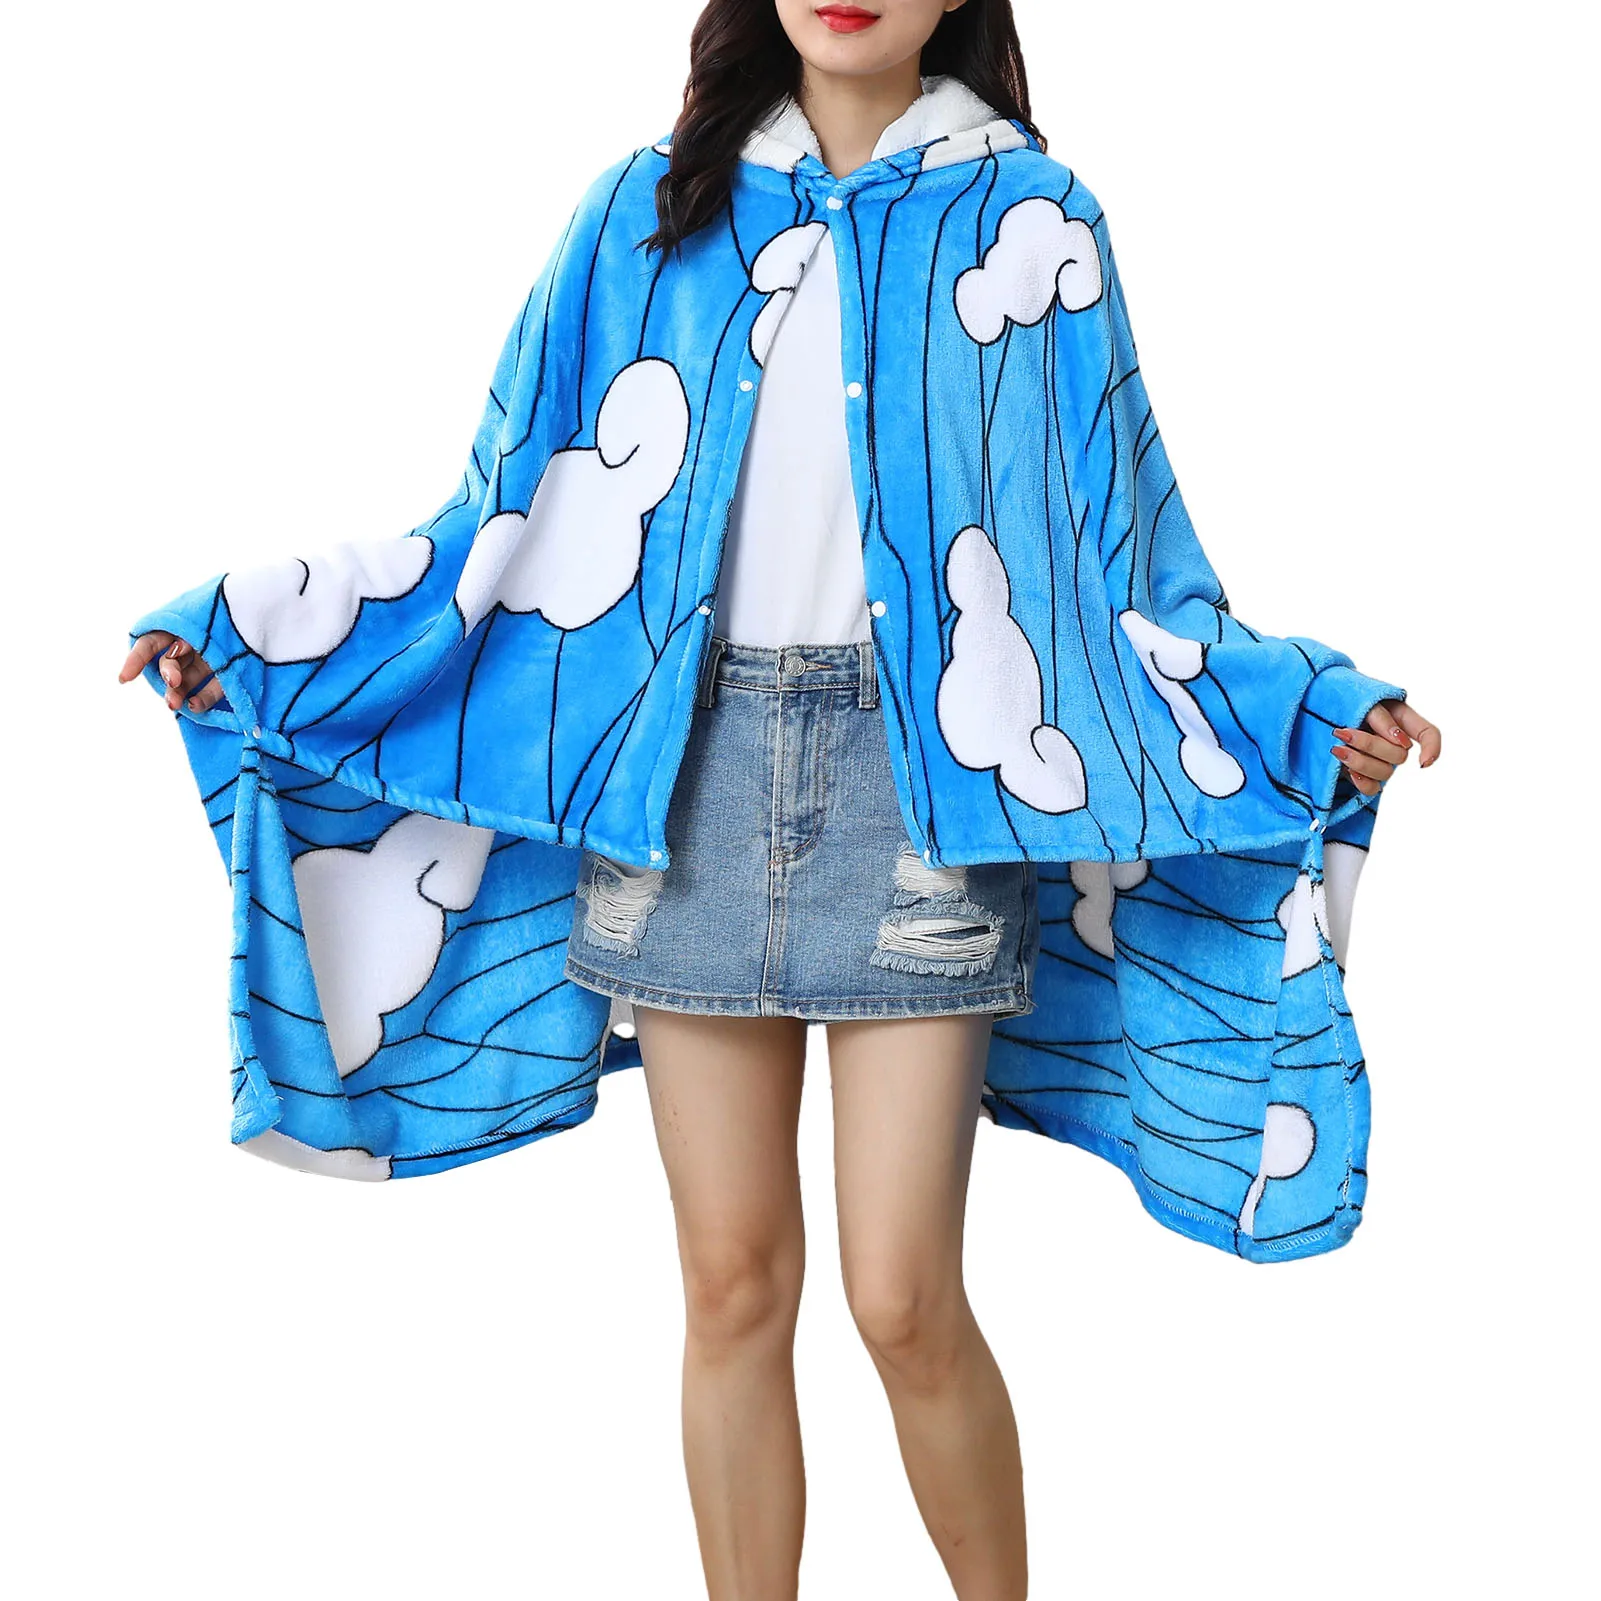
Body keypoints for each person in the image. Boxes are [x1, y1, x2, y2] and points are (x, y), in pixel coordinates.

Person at [118, 4, 1441, 1597]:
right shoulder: (648, 208)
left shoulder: (1035, 216)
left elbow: (1130, 558)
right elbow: (501, 520)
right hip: (681, 787)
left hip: (928, 798)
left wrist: (1307, 710)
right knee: (733, 1287)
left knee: (902, 1297)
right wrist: (258, 633)